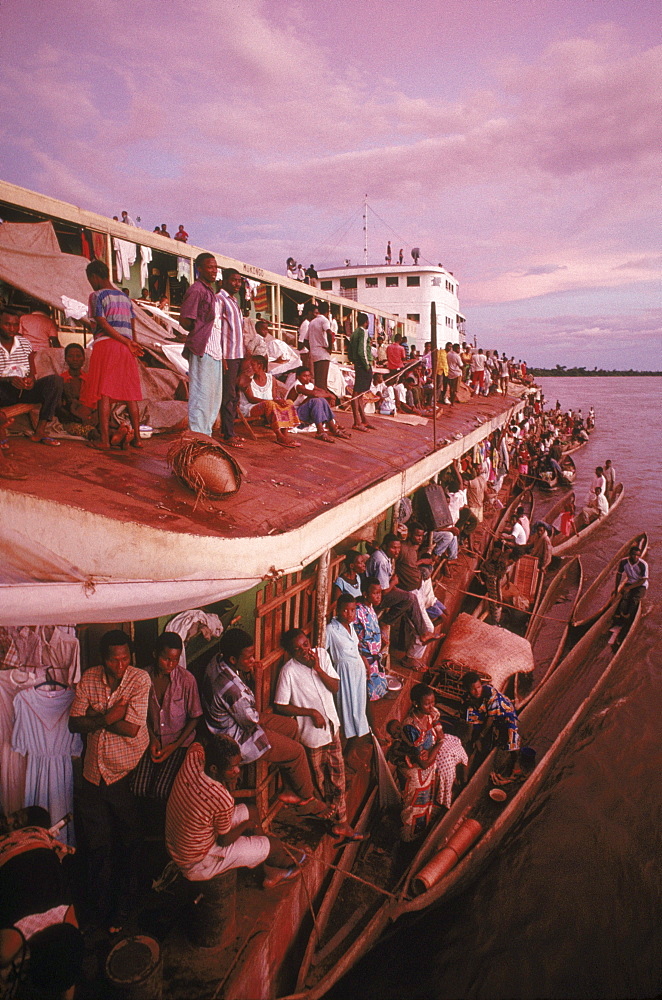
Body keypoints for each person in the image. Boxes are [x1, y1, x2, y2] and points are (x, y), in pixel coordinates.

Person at [68, 630, 150, 932]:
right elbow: (74, 723)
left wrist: (96, 715)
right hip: (93, 774)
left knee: (130, 841)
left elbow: (131, 729)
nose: (120, 664)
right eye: (114, 659)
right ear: (104, 659)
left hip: (126, 772)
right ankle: (99, 911)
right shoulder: (89, 678)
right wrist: (106, 717)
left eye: (125, 658)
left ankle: (125, 907)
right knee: (98, 846)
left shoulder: (139, 679)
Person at [201, 629, 329, 816]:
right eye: (248, 657)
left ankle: (290, 788)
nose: (253, 660)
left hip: (237, 720)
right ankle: (307, 799)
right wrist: (256, 678)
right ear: (233, 660)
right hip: (234, 737)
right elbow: (251, 721)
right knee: (297, 752)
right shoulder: (234, 691)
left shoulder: (217, 661)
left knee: (292, 726)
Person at [165, 734, 303, 888]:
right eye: (232, 768)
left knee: (251, 810)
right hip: (197, 861)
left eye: (238, 764)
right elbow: (223, 841)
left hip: (178, 844)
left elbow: (200, 742)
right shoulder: (221, 798)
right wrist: (246, 826)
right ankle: (276, 865)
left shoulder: (193, 755)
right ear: (214, 768)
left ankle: (266, 863)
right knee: (276, 844)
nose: (238, 771)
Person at [275, 630, 364, 841]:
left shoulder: (322, 656)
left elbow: (335, 687)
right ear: (290, 653)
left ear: (310, 641)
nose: (304, 651)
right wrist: (309, 712)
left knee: (338, 777)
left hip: (332, 728)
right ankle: (331, 821)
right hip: (312, 736)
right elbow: (280, 705)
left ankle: (341, 822)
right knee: (320, 780)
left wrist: (318, 669)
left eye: (305, 644)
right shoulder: (288, 672)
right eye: (297, 649)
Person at [0, 808, 84, 1000]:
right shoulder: (40, 834)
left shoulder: (39, 832)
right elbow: (70, 852)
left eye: (16, 818)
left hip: (40, 895)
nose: (11, 821)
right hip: (36, 899)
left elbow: (69, 852)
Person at [80, 260, 144, 451]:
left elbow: (103, 323)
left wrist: (125, 342)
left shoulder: (96, 295)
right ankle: (138, 439)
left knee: (104, 394)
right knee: (130, 394)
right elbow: (132, 326)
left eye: (90, 279)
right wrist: (132, 343)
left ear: (93, 276)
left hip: (107, 346)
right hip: (126, 347)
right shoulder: (125, 298)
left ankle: (105, 441)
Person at [131, 633, 203, 801]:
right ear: (155, 654)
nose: (171, 664)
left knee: (161, 791)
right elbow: (138, 714)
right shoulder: (142, 677)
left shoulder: (187, 680)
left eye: (175, 660)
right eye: (166, 659)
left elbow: (195, 717)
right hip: (150, 739)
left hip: (179, 743)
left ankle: (161, 825)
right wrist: (152, 739)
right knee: (138, 788)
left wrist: (175, 745)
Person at [397, 684, 468, 841]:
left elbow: (437, 723)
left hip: (427, 765)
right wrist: (439, 743)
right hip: (414, 770)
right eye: (427, 703)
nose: (431, 706)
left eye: (432, 702)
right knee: (412, 806)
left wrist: (438, 738)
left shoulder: (429, 713)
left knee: (425, 801)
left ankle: (419, 833)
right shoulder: (411, 727)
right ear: (416, 703)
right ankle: (407, 839)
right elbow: (423, 764)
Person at [0, 306, 64, 446]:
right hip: (3, 392)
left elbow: (31, 370)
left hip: (24, 391)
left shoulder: (24, 343)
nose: (12, 328)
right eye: (7, 324)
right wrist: (9, 379)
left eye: (15, 325)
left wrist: (31, 381)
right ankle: (1, 431)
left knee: (55, 381)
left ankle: (40, 430)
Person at [179, 252, 223, 437]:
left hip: (215, 352)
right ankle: (197, 437)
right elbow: (185, 320)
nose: (213, 271)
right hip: (202, 350)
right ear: (199, 269)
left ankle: (205, 437)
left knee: (213, 399)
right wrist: (199, 330)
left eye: (215, 267)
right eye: (209, 267)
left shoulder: (210, 291)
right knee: (201, 397)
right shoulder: (197, 289)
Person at [325, 595, 370, 749]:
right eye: (345, 610)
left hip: (358, 670)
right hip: (344, 672)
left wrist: (364, 662)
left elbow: (355, 649)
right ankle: (345, 747)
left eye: (352, 610)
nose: (349, 614)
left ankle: (356, 739)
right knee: (346, 707)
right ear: (337, 610)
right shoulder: (330, 629)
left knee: (358, 706)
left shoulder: (351, 627)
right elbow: (323, 653)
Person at [461, 671, 520, 777]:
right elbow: (470, 718)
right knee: (476, 742)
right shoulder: (467, 699)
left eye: (478, 687)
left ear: (481, 685)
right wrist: (474, 739)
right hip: (484, 713)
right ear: (467, 689)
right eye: (473, 689)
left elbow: (491, 718)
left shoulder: (490, 693)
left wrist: (480, 737)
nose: (477, 691)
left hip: (503, 713)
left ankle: (515, 761)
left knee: (510, 733)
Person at [238, 355, 301, 448]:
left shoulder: (271, 378)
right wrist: (273, 401)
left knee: (288, 403)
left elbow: (274, 396)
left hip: (268, 404)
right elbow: (251, 399)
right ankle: (279, 436)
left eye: (252, 364)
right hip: (250, 407)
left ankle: (285, 435)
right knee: (269, 404)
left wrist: (279, 401)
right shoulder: (247, 379)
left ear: (260, 365)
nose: (249, 367)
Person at [216, 268, 246, 448]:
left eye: (239, 281)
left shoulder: (234, 301)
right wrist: (222, 356)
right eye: (233, 280)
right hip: (227, 355)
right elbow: (217, 329)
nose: (237, 284)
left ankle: (229, 430)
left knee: (235, 395)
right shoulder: (220, 300)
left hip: (238, 354)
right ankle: (228, 434)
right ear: (224, 281)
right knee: (228, 395)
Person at [354, 578, 388, 703]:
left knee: (376, 691)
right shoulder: (357, 611)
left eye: (380, 593)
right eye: (375, 593)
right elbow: (354, 638)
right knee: (366, 696)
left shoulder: (370, 608)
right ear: (365, 594)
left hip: (373, 659)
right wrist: (361, 657)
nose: (379, 596)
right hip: (365, 659)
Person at [610, 545, 648, 634]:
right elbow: (619, 574)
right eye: (633, 554)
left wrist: (628, 588)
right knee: (624, 598)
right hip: (630, 582)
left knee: (634, 599)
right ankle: (621, 615)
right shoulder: (623, 562)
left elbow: (643, 580)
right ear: (629, 554)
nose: (635, 557)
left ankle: (629, 618)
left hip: (641, 584)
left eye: (638, 555)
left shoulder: (643, 564)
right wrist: (616, 589)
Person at [348, 312, 374, 431]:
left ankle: (363, 419)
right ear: (366, 322)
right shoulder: (363, 332)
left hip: (357, 364)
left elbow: (351, 351)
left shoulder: (354, 333)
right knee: (357, 394)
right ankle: (357, 421)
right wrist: (367, 365)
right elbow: (362, 350)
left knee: (359, 394)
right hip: (363, 365)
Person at [307, 301, 333, 390]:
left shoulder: (312, 322)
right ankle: (323, 402)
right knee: (323, 383)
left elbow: (305, 340)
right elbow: (329, 333)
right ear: (328, 311)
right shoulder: (324, 320)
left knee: (318, 381)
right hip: (323, 353)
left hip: (314, 353)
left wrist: (312, 348)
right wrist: (330, 348)